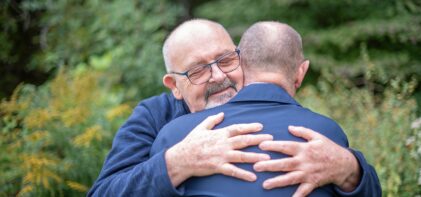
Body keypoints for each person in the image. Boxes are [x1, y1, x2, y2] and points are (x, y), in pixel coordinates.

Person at [88, 19, 380, 196]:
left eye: (226, 60)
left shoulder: (287, 111)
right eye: (198, 70)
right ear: (174, 85)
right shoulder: (155, 118)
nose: (218, 76)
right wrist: (176, 163)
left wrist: (349, 169)